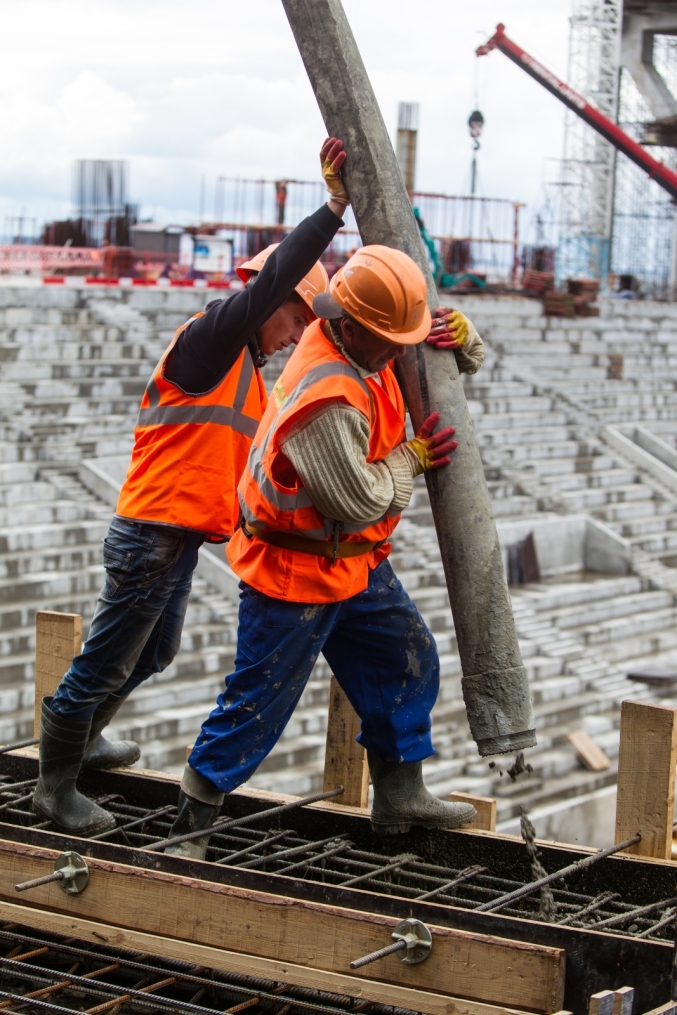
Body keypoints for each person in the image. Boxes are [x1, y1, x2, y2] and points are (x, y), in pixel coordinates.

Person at [33, 138, 352, 837]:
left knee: (152, 652)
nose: (295, 334)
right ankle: (54, 787)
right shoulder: (212, 338)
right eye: (296, 318)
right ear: (275, 299)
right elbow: (272, 286)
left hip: (174, 538)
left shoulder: (245, 364)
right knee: (102, 660)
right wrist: (331, 210)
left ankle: (84, 739)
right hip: (151, 533)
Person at [164, 245, 485, 859]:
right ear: (353, 325)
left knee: (407, 658)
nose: (399, 352)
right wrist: (409, 461)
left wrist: (463, 342)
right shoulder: (326, 396)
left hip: (353, 561)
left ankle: (399, 793)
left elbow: (433, 364)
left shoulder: (367, 343)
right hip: (294, 567)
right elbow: (359, 500)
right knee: (260, 699)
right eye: (391, 341)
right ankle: (191, 824)